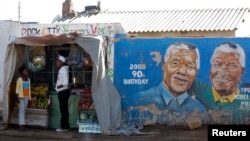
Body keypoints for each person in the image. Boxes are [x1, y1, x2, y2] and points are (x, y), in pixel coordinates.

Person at [123, 42, 207, 125]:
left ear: (196, 73)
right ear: (164, 66)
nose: (182, 72)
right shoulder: (139, 101)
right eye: (175, 63)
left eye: (190, 67)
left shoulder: (199, 109)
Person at [193, 42, 250, 124]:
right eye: (217, 64)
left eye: (232, 66)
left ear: (242, 72)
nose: (222, 72)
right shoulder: (199, 90)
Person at [55, 55, 70, 132]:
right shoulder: (62, 69)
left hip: (63, 92)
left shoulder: (63, 70)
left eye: (57, 62)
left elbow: (66, 83)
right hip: (63, 92)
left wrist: (58, 87)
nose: (56, 63)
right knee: (64, 110)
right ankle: (65, 125)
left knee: (63, 110)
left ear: (62, 62)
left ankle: (64, 126)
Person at [15, 66, 31, 132]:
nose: (27, 72)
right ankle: (21, 126)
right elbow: (17, 89)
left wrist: (29, 98)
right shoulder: (19, 79)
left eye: (27, 71)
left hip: (26, 96)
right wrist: (17, 97)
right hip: (21, 97)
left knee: (24, 111)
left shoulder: (28, 79)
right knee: (21, 111)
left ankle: (23, 125)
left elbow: (29, 90)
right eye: (25, 71)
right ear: (22, 72)